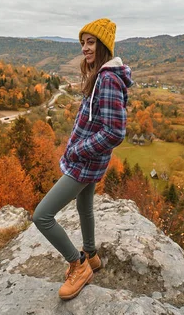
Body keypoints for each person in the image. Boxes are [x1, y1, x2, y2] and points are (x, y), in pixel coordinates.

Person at [33, 18, 133, 300]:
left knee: (42, 215)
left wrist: (78, 150)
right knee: (84, 205)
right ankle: (91, 255)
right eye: (83, 43)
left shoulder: (109, 79)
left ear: (103, 45)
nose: (85, 49)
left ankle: (78, 266)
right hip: (89, 159)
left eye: (90, 42)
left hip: (85, 160)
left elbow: (115, 132)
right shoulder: (100, 75)